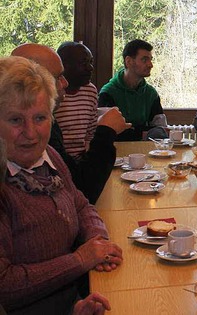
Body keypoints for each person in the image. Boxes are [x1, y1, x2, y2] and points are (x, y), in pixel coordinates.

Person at [0, 56, 123, 314]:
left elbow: (81, 204)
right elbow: (6, 286)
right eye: (15, 120)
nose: (31, 133)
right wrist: (81, 259)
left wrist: (97, 239)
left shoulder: (49, 157)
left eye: (40, 118)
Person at [11, 43, 130, 205]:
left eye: (40, 118)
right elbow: (85, 189)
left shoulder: (51, 143)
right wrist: (106, 131)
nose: (65, 84)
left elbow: (78, 199)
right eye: (58, 77)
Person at [98, 39, 165, 141]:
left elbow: (161, 130)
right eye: (144, 60)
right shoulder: (108, 93)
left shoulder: (151, 93)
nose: (150, 65)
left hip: (145, 152)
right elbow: (107, 132)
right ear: (128, 61)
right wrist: (145, 132)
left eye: (151, 59)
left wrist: (133, 131)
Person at [55, 42, 98, 159]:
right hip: (57, 161)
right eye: (83, 63)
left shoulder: (90, 91)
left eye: (91, 62)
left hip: (82, 161)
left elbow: (90, 135)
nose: (90, 68)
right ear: (64, 65)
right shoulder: (52, 94)